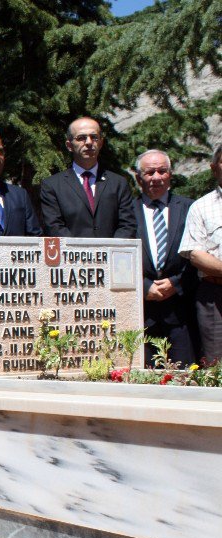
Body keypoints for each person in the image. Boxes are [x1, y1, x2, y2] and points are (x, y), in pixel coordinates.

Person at [133, 149, 197, 366]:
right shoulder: (126, 211)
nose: (156, 177)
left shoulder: (189, 208)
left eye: (162, 171)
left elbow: (198, 255)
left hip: (181, 311)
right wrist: (143, 285)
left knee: (186, 376)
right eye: (150, 172)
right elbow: (118, 255)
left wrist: (176, 283)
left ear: (170, 174)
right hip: (142, 312)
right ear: (138, 177)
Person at [39, 117, 136, 238]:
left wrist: (108, 253)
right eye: (81, 138)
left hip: (111, 254)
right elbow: (54, 227)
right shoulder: (52, 185)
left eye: (94, 137)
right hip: (72, 255)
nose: (89, 142)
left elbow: (127, 225)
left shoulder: (118, 183)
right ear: (69, 145)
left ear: (101, 143)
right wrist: (81, 254)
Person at [179, 144, 222, 363]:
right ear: (214, 168)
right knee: (216, 363)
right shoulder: (200, 207)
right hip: (214, 295)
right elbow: (195, 254)